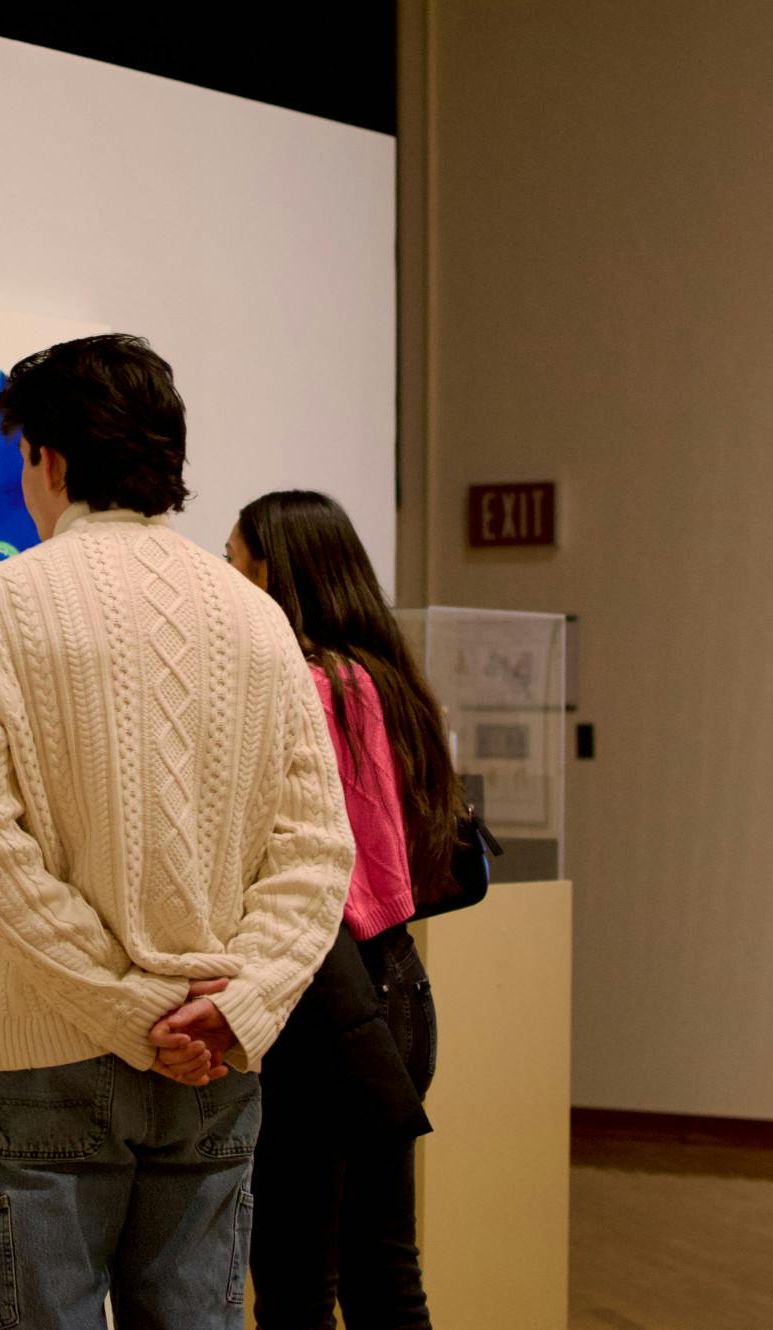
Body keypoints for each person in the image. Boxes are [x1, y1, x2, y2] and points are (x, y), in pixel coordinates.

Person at [0, 335, 356, 1330]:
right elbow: (314, 854)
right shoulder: (257, 621)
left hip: (40, 1059)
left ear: (48, 455)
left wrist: (126, 1010)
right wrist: (230, 1006)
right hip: (211, 1066)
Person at [223, 489, 465, 1330]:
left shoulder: (311, 683)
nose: (226, 585)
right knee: (382, 1266)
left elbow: (309, 873)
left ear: (278, 573)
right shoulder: (387, 679)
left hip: (326, 993)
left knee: (294, 1279)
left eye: (235, 564)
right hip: (395, 985)